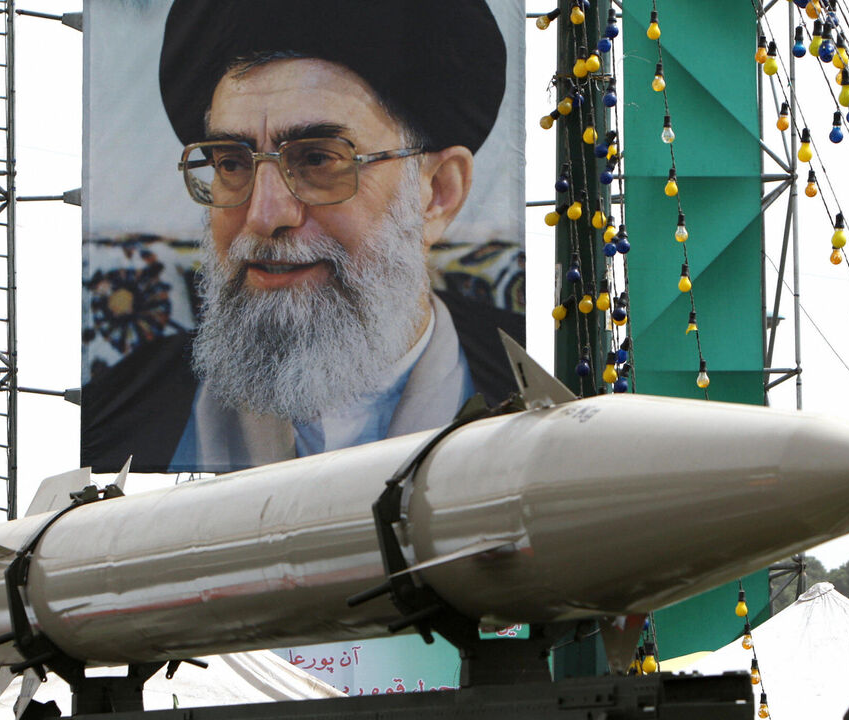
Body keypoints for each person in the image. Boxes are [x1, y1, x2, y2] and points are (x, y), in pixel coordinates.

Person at [81, 0, 523, 472]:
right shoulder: (115, 421)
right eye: (232, 163)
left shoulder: (548, 402)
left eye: (317, 159)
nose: (264, 215)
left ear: (437, 193)